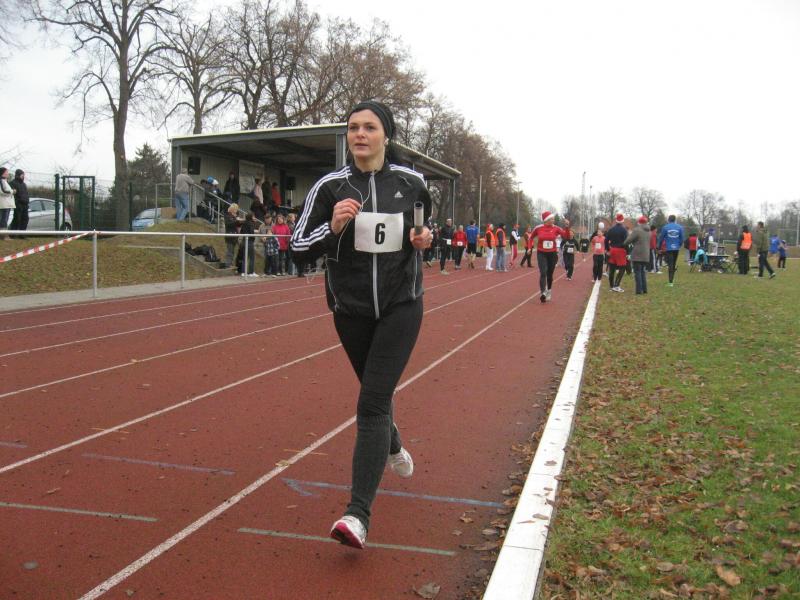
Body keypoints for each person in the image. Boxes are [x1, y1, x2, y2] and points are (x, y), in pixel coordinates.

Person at [290, 100, 432, 550]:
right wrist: (332, 227)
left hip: (400, 305)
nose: (360, 135)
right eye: (353, 127)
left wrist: (425, 238)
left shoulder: (411, 183)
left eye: (370, 127)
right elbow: (296, 247)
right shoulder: (330, 187)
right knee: (378, 395)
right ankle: (392, 445)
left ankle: (357, 515)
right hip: (350, 310)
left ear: (386, 135)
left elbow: (425, 231)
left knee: (370, 403)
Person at [531, 211, 565, 302]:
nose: (553, 220)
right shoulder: (538, 228)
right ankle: (543, 292)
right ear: (546, 220)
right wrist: (530, 248)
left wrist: (567, 227)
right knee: (543, 272)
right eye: (552, 219)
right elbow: (531, 237)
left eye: (553, 219)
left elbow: (566, 235)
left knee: (549, 274)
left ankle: (549, 290)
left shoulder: (556, 228)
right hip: (541, 253)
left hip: (552, 254)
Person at [624, 216, 651, 294]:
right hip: (646, 254)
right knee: (643, 272)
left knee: (637, 272)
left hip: (637, 254)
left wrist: (628, 241)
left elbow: (628, 241)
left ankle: (639, 290)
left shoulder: (637, 230)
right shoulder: (649, 231)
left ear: (639, 222)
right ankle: (644, 289)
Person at [657, 214, 685, 287]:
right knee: (673, 264)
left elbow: (661, 238)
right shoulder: (680, 227)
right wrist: (679, 245)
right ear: (675, 220)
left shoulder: (665, 227)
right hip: (676, 249)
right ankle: (671, 281)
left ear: (668, 220)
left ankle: (670, 282)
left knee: (670, 265)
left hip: (669, 249)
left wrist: (659, 248)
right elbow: (682, 239)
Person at [606, 213, 629, 292]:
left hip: (612, 250)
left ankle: (611, 286)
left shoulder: (611, 229)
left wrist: (608, 249)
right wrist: (628, 252)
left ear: (616, 220)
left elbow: (606, 240)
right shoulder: (624, 230)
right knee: (622, 268)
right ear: (622, 221)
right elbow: (626, 242)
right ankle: (616, 285)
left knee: (612, 268)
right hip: (621, 250)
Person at [9, 169, 29, 235]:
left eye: (23, 175)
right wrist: (17, 202)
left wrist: (27, 201)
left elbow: (26, 194)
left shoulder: (24, 184)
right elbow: (13, 194)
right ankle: (12, 234)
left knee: (25, 219)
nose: (23, 176)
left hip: (25, 204)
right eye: (22, 175)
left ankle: (22, 234)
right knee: (17, 219)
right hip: (18, 204)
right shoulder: (12, 183)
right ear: (18, 175)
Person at [223, 203, 241, 268]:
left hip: (235, 236)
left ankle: (230, 263)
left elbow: (236, 225)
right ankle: (228, 264)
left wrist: (240, 222)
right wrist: (236, 221)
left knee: (233, 251)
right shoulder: (227, 215)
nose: (237, 210)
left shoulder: (235, 216)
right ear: (233, 209)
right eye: (236, 209)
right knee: (230, 251)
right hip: (230, 236)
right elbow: (229, 224)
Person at [0, 167, 15, 238]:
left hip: (7, 204)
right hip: (4, 204)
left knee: (4, 219)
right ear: (3, 172)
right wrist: (12, 191)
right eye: (6, 172)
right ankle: (4, 236)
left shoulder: (4, 181)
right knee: (4, 220)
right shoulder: (1, 181)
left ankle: (3, 235)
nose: (8, 173)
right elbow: (2, 191)